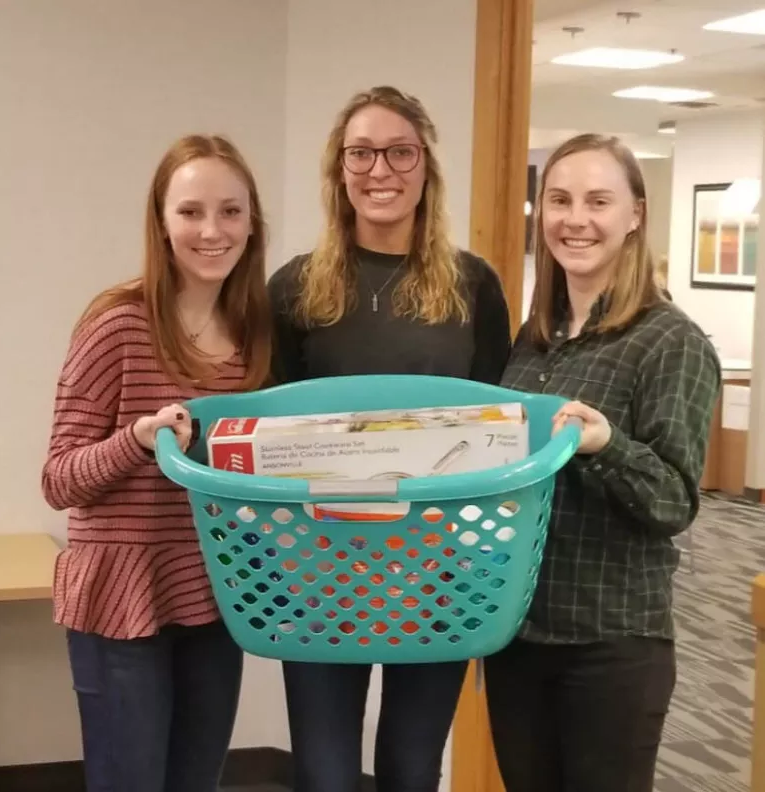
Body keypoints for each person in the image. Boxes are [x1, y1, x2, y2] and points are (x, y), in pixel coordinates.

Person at [268, 85, 511, 792]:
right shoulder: (294, 289)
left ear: (425, 166)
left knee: (410, 769)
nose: (381, 170)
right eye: (362, 153)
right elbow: (264, 426)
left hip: (441, 572)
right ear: (338, 170)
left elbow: (501, 423)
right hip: (321, 572)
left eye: (400, 152)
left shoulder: (473, 285)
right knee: (326, 775)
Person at [486, 133, 720, 792]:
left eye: (598, 200)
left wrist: (606, 445)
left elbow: (674, 501)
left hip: (610, 645)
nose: (575, 219)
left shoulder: (669, 342)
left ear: (635, 215)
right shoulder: (531, 346)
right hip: (519, 633)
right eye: (558, 200)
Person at [41, 134, 271, 792]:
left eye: (231, 211)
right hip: (121, 598)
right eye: (191, 211)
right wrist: (136, 440)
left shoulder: (255, 335)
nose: (211, 230)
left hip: (214, 592)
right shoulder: (117, 323)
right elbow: (58, 479)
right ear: (162, 222)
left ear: (253, 224)